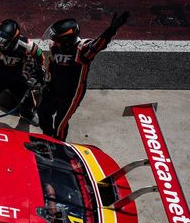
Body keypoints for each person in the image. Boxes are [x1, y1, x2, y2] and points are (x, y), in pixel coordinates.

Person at [38, 12, 129, 141]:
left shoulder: (82, 50)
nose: (54, 43)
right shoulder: (55, 47)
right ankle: (48, 137)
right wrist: (47, 83)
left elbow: (98, 45)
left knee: (60, 124)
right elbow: (52, 65)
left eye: (57, 40)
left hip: (72, 95)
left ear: (66, 41)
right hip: (54, 89)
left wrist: (111, 29)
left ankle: (58, 145)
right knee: (42, 112)